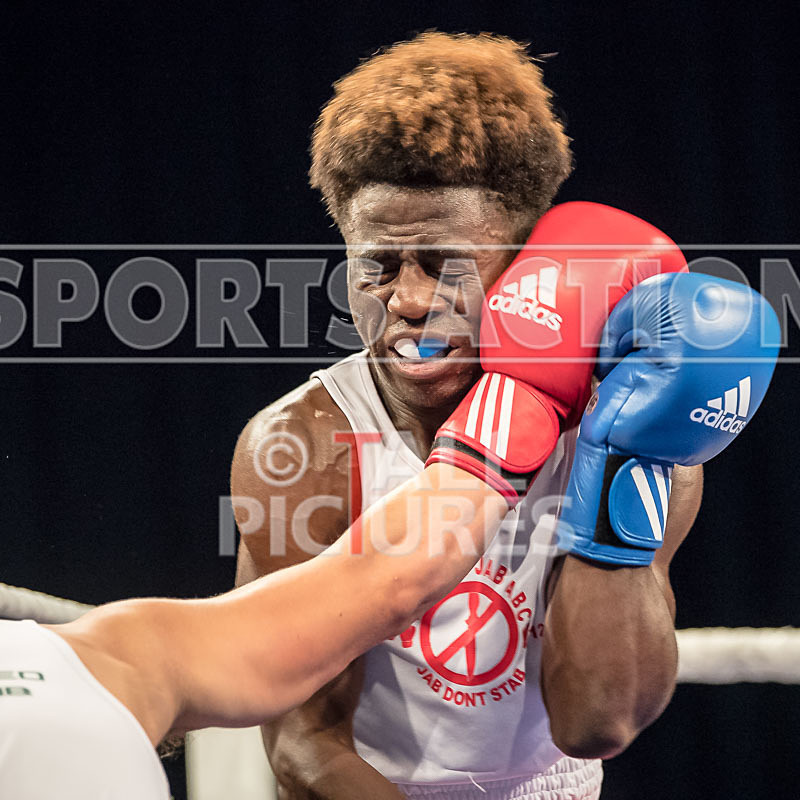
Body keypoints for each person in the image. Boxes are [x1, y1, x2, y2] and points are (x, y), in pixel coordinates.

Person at [231, 32, 706, 799]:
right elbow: (303, 745)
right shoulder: (302, 446)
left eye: (447, 264)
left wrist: (620, 460)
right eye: (377, 268)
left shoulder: (622, 428)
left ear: (526, 267)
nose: (410, 303)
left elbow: (600, 721)